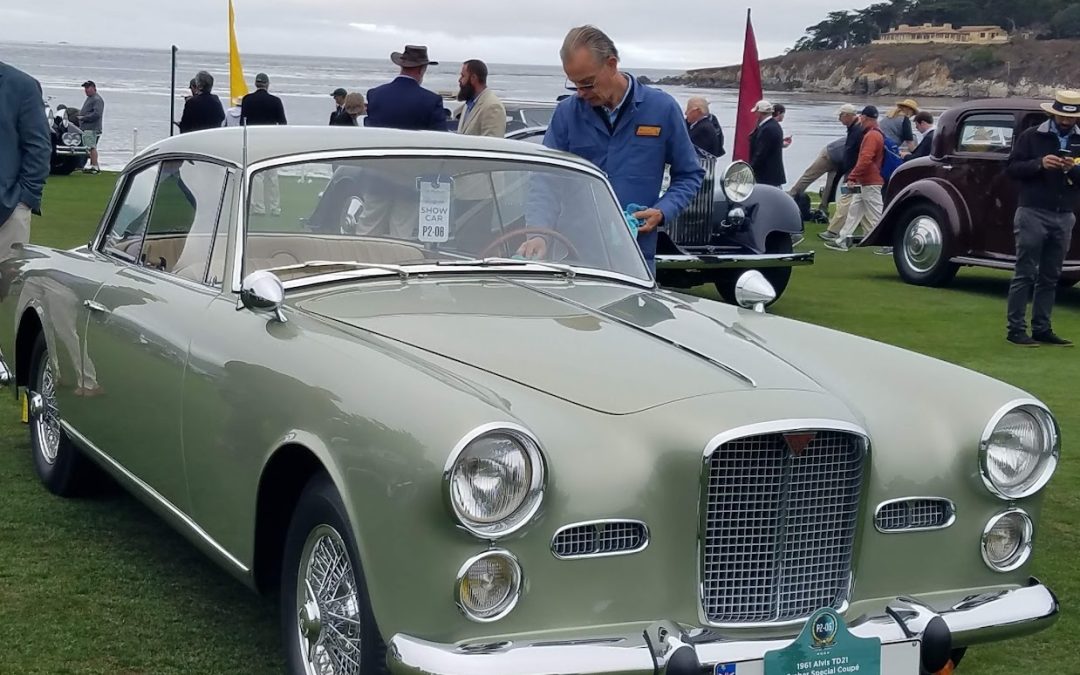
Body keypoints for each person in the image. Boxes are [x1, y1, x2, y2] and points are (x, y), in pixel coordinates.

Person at [518, 25, 703, 274]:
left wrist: (663, 210)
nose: (581, 94)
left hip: (635, 258)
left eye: (587, 84)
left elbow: (690, 174)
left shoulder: (662, 108)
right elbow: (544, 179)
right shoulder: (566, 113)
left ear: (612, 64)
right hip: (572, 259)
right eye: (574, 85)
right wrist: (539, 233)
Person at [1003, 90, 1080, 347]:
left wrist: (1074, 170)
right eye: (1063, 117)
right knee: (1025, 272)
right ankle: (1015, 329)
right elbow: (1011, 168)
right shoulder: (1032, 136)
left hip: (1064, 214)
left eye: (1072, 118)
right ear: (1053, 114)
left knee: (1051, 275)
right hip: (1033, 211)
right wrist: (1039, 164)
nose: (1067, 122)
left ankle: (1042, 328)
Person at [0, 61, 50, 257]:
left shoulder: (21, 86)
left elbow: (39, 147)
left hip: (7, 213)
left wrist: (24, 201)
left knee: (7, 286)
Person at [826, 105, 885, 252]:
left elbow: (865, 159)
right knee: (854, 212)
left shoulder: (871, 136)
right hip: (866, 181)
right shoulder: (876, 133)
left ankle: (887, 244)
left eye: (862, 118)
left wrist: (852, 176)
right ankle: (843, 240)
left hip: (870, 181)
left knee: (876, 213)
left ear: (865, 117)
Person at [365, 45, 448, 131]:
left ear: (401, 66)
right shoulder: (432, 101)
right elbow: (442, 138)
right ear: (422, 69)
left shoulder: (374, 95)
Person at [241, 73, 287, 217]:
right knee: (272, 175)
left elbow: (242, 122)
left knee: (258, 175)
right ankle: (275, 207)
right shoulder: (275, 101)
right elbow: (283, 123)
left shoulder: (247, 100)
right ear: (267, 84)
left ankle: (259, 207)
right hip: (270, 139)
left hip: (254, 139)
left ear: (256, 84)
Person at [819, 104, 865, 242]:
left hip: (855, 173)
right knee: (864, 205)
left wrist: (852, 174)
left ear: (847, 115)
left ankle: (833, 231)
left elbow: (857, 155)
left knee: (846, 200)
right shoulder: (855, 129)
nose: (839, 119)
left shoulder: (857, 131)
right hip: (856, 172)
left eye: (841, 116)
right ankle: (872, 234)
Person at [455, 60, 506, 138]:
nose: (459, 80)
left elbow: (492, 146)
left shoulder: (492, 107)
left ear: (473, 78)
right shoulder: (469, 104)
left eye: (463, 76)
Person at [749, 100, 786, 187]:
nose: (755, 114)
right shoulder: (772, 126)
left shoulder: (767, 129)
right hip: (771, 175)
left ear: (760, 113)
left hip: (767, 176)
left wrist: (750, 168)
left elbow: (761, 153)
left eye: (756, 112)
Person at [78, 80, 104, 174]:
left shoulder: (97, 99)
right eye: (85, 88)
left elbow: (97, 114)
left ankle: (94, 166)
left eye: (88, 88)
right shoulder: (90, 98)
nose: (86, 90)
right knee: (89, 147)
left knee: (92, 147)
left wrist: (84, 118)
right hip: (87, 128)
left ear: (93, 88)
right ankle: (94, 165)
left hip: (92, 128)